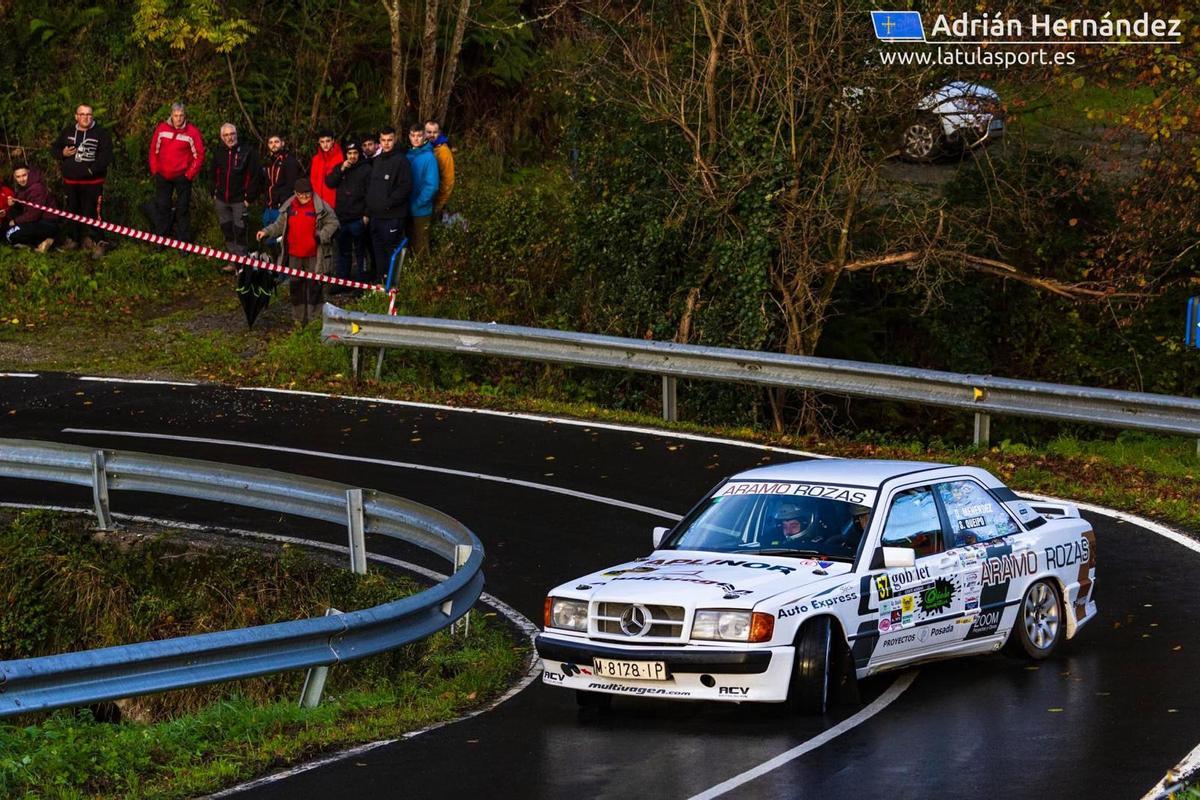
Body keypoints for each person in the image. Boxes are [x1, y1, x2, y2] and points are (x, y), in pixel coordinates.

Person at [256, 178, 339, 326]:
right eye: (300, 195)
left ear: (311, 192)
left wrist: (322, 236)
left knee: (315, 288)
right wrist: (266, 232)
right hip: (294, 255)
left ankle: (315, 320)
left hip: (314, 255)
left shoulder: (320, 206)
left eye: (307, 194)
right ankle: (299, 319)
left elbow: (333, 223)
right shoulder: (289, 207)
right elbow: (279, 225)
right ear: (295, 193)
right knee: (296, 288)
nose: (304, 198)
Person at [50, 104, 113, 256]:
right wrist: (62, 153)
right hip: (71, 182)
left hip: (92, 183)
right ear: (76, 116)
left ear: (92, 116)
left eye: (89, 114)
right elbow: (54, 149)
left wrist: (91, 170)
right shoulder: (68, 132)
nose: (86, 117)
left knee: (93, 213)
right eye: (82, 114)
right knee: (72, 212)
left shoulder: (101, 133)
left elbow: (106, 156)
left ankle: (99, 241)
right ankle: (73, 240)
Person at [149, 102, 205, 242]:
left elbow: (199, 155)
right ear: (171, 115)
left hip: (182, 177)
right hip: (163, 175)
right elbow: (153, 151)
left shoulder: (192, 132)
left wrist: (189, 174)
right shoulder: (162, 129)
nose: (178, 119)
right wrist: (155, 170)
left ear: (184, 115)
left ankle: (183, 242)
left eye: (181, 115)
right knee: (163, 208)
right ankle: (161, 239)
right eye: (176, 116)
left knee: (182, 210)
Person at [364, 126, 411, 281]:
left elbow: (405, 187)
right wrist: (369, 209)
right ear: (379, 142)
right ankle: (380, 281)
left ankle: (392, 285)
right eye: (383, 140)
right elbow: (372, 187)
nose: (386, 143)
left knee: (390, 251)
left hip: (392, 216)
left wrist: (387, 203)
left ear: (395, 139)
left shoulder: (401, 160)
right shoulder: (376, 161)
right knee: (377, 251)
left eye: (389, 140)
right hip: (375, 216)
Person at [210, 123, 260, 263]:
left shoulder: (247, 151)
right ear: (221, 137)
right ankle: (233, 261)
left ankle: (242, 263)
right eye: (225, 135)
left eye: (231, 134)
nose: (229, 138)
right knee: (227, 229)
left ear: (236, 134)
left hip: (239, 200)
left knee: (240, 230)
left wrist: (249, 197)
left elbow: (256, 176)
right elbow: (212, 173)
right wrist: (213, 192)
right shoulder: (218, 152)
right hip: (221, 199)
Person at [325, 140, 371, 286]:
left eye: (355, 153)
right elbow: (330, 182)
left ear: (359, 154)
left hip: (358, 218)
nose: (352, 156)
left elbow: (371, 194)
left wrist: (366, 215)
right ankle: (342, 283)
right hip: (342, 218)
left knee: (360, 253)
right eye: (349, 153)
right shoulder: (341, 167)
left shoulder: (366, 169)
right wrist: (341, 169)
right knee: (343, 253)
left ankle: (360, 284)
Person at [5, 166, 59, 252]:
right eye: (18, 177)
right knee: (9, 226)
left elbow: (34, 214)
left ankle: (42, 243)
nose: (21, 179)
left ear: (29, 174)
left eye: (24, 175)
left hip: (46, 223)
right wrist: (13, 204)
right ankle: (42, 242)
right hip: (36, 222)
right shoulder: (23, 188)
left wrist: (15, 221)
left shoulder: (37, 188)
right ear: (15, 177)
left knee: (9, 235)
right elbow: (24, 208)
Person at [262, 133, 302, 245]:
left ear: (282, 143)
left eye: (276, 142)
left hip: (281, 208)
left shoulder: (290, 161)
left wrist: (284, 203)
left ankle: (282, 262)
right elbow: (265, 184)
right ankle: (270, 260)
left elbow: (292, 185)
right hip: (268, 207)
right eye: (271, 142)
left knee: (282, 241)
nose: (273, 145)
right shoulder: (268, 162)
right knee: (268, 240)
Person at [405, 123, 439, 258]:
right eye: (413, 136)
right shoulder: (408, 155)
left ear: (424, 136)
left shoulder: (429, 157)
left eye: (419, 136)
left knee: (421, 247)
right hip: (406, 208)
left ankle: (423, 276)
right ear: (409, 137)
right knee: (408, 244)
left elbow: (432, 186)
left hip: (421, 210)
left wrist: (418, 204)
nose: (416, 139)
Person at [423, 119, 455, 218]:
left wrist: (438, 205)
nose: (432, 135)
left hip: (435, 201)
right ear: (424, 132)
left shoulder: (443, 151)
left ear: (439, 133)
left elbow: (448, 180)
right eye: (429, 132)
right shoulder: (424, 147)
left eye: (435, 132)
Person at [309, 129, 343, 210]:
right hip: (318, 202)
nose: (325, 144)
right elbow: (313, 180)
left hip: (335, 203)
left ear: (333, 141)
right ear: (319, 142)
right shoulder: (316, 159)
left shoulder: (340, 157)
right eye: (322, 142)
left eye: (328, 141)